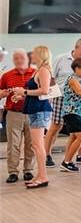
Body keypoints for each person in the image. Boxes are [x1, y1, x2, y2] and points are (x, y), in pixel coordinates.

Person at [46, 37, 81, 167]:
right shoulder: (61, 59)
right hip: (62, 98)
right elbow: (51, 77)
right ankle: (46, 155)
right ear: (76, 48)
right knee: (56, 126)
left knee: (79, 131)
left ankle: (78, 156)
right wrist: (49, 95)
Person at [15, 46, 55, 189]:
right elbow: (35, 91)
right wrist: (21, 95)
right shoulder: (38, 70)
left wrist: (24, 92)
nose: (31, 56)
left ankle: (43, 176)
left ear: (40, 55)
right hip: (35, 109)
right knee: (36, 145)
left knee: (38, 145)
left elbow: (44, 90)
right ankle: (40, 175)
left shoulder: (44, 70)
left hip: (39, 110)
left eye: (33, 54)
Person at [1, 49, 36, 183]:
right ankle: (13, 172)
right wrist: (2, 94)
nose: (19, 60)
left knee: (31, 144)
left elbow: (46, 92)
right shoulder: (7, 75)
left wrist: (24, 94)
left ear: (27, 59)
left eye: (22, 57)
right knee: (13, 145)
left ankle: (29, 170)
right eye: (16, 58)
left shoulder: (36, 73)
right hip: (13, 113)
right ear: (13, 60)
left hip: (32, 114)